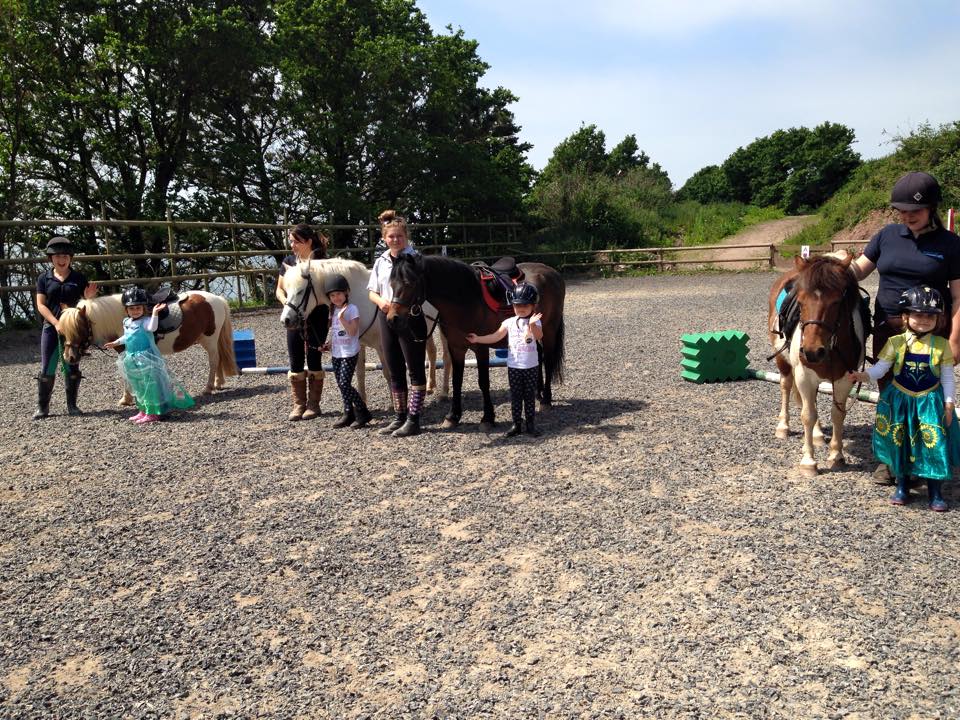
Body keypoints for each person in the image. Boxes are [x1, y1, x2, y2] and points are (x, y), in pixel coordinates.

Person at [849, 171, 960, 482]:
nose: (909, 217)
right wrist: (835, 267)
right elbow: (859, 271)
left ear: (932, 208)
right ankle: (890, 459)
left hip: (930, 332)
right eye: (903, 211)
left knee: (926, 396)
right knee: (890, 395)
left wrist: (956, 339)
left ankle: (927, 457)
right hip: (889, 330)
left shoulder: (950, 244)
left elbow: (958, 296)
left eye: (916, 211)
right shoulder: (886, 236)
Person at [847, 286, 958, 511]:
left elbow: (947, 377)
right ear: (906, 317)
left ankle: (935, 491)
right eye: (918, 314)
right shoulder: (896, 342)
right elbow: (881, 369)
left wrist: (949, 402)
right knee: (901, 443)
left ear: (939, 319)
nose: (924, 320)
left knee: (933, 444)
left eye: (930, 316)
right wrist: (863, 375)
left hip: (929, 402)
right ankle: (902, 486)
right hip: (901, 401)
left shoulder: (941, 345)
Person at [367, 209, 425, 437]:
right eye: (391, 237)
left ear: (406, 236)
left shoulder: (415, 259)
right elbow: (372, 290)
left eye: (399, 236)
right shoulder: (381, 261)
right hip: (386, 314)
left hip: (409, 315)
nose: (395, 240)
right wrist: (382, 302)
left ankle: (414, 418)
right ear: (384, 238)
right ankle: (399, 416)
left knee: (415, 367)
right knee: (393, 367)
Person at [103, 287, 195, 424]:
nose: (135, 311)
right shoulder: (127, 322)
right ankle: (143, 410)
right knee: (138, 386)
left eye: (138, 308)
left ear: (144, 309)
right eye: (132, 309)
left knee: (150, 385)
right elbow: (127, 337)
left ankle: (154, 412)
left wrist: (155, 314)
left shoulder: (146, 321)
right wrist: (116, 342)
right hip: (131, 358)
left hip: (146, 359)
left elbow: (152, 328)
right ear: (126, 310)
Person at [466, 281, 544, 438]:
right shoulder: (508, 322)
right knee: (515, 396)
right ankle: (516, 423)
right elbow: (496, 336)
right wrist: (478, 339)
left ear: (532, 306)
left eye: (525, 306)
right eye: (517, 306)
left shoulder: (535, 321)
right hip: (514, 366)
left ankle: (530, 424)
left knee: (529, 396)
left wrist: (533, 325)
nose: (521, 309)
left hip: (531, 366)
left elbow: (538, 337)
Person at [33, 236, 98, 419]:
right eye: (57, 257)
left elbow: (85, 306)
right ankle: (42, 407)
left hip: (74, 328)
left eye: (65, 257)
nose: (61, 260)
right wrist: (55, 323)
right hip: (51, 326)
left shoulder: (78, 278)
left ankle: (72, 405)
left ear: (70, 258)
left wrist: (88, 298)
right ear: (51, 259)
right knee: (48, 366)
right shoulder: (43, 279)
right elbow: (41, 305)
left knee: (72, 364)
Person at [275, 223, 330, 421]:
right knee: (295, 357)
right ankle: (299, 404)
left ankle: (314, 404)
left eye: (296, 242)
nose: (292, 246)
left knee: (314, 357)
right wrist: (288, 305)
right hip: (294, 315)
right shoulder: (289, 261)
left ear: (308, 242)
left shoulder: (322, 262)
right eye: (291, 241)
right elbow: (279, 290)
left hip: (318, 315)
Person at [323, 273, 372, 429]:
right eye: (332, 295)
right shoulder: (334, 311)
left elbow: (352, 332)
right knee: (340, 384)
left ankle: (363, 412)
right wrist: (329, 344)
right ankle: (348, 412)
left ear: (346, 293)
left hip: (349, 352)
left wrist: (343, 318)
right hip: (337, 352)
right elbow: (337, 333)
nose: (336, 298)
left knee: (345, 383)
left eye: (338, 294)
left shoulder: (352, 309)